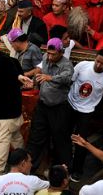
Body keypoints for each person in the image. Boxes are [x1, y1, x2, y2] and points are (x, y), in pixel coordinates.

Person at [0, 38, 33, 183]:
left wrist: (20, 77)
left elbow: (13, 73)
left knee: (2, 140)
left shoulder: (7, 62)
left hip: (7, 111)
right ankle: (25, 160)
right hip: (0, 108)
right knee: (16, 138)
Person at [26, 38, 74, 173]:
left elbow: (67, 77)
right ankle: (29, 169)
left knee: (60, 140)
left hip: (58, 108)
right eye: (49, 53)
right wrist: (34, 82)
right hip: (43, 105)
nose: (50, 56)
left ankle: (63, 171)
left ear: (61, 52)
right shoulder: (46, 57)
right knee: (36, 137)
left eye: (53, 54)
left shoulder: (67, 65)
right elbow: (40, 74)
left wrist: (51, 78)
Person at [67, 49, 103, 182]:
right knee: (63, 135)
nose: (98, 65)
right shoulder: (82, 65)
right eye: (97, 61)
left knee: (81, 141)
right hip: (70, 104)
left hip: (87, 111)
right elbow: (69, 81)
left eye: (102, 64)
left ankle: (77, 171)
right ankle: (64, 165)